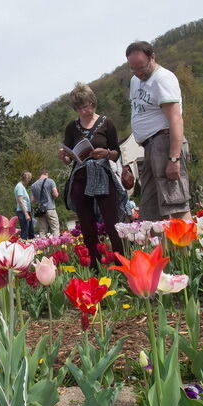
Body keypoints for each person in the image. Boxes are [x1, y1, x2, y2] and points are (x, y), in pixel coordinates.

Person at [59, 82, 125, 270]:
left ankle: (121, 265)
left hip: (103, 175)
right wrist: (64, 156)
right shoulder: (72, 127)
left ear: (93, 103)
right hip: (80, 178)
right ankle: (94, 268)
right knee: (87, 227)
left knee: (112, 224)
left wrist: (106, 153)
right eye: (80, 108)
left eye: (87, 106)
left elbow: (116, 152)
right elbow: (69, 157)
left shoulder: (107, 123)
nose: (84, 111)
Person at [127, 41, 191, 220]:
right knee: (150, 209)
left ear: (152, 57)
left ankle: (186, 246)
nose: (138, 73)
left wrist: (174, 158)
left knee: (175, 202)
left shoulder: (163, 78)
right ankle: (159, 248)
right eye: (133, 69)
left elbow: (176, 119)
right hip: (149, 147)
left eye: (141, 67)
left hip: (165, 142)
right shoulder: (135, 80)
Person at [29, 169, 60, 236]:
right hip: (50, 208)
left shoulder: (33, 185)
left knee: (42, 230)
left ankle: (42, 245)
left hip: (41, 210)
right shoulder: (51, 181)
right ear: (46, 174)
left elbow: (32, 199)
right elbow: (55, 194)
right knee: (55, 229)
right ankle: (56, 245)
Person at [14, 171, 33, 240]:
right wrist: (26, 214)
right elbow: (20, 201)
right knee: (25, 233)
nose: (29, 181)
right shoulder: (19, 187)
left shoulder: (21, 187)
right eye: (29, 179)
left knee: (29, 232)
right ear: (26, 178)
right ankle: (23, 248)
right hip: (23, 212)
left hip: (25, 211)